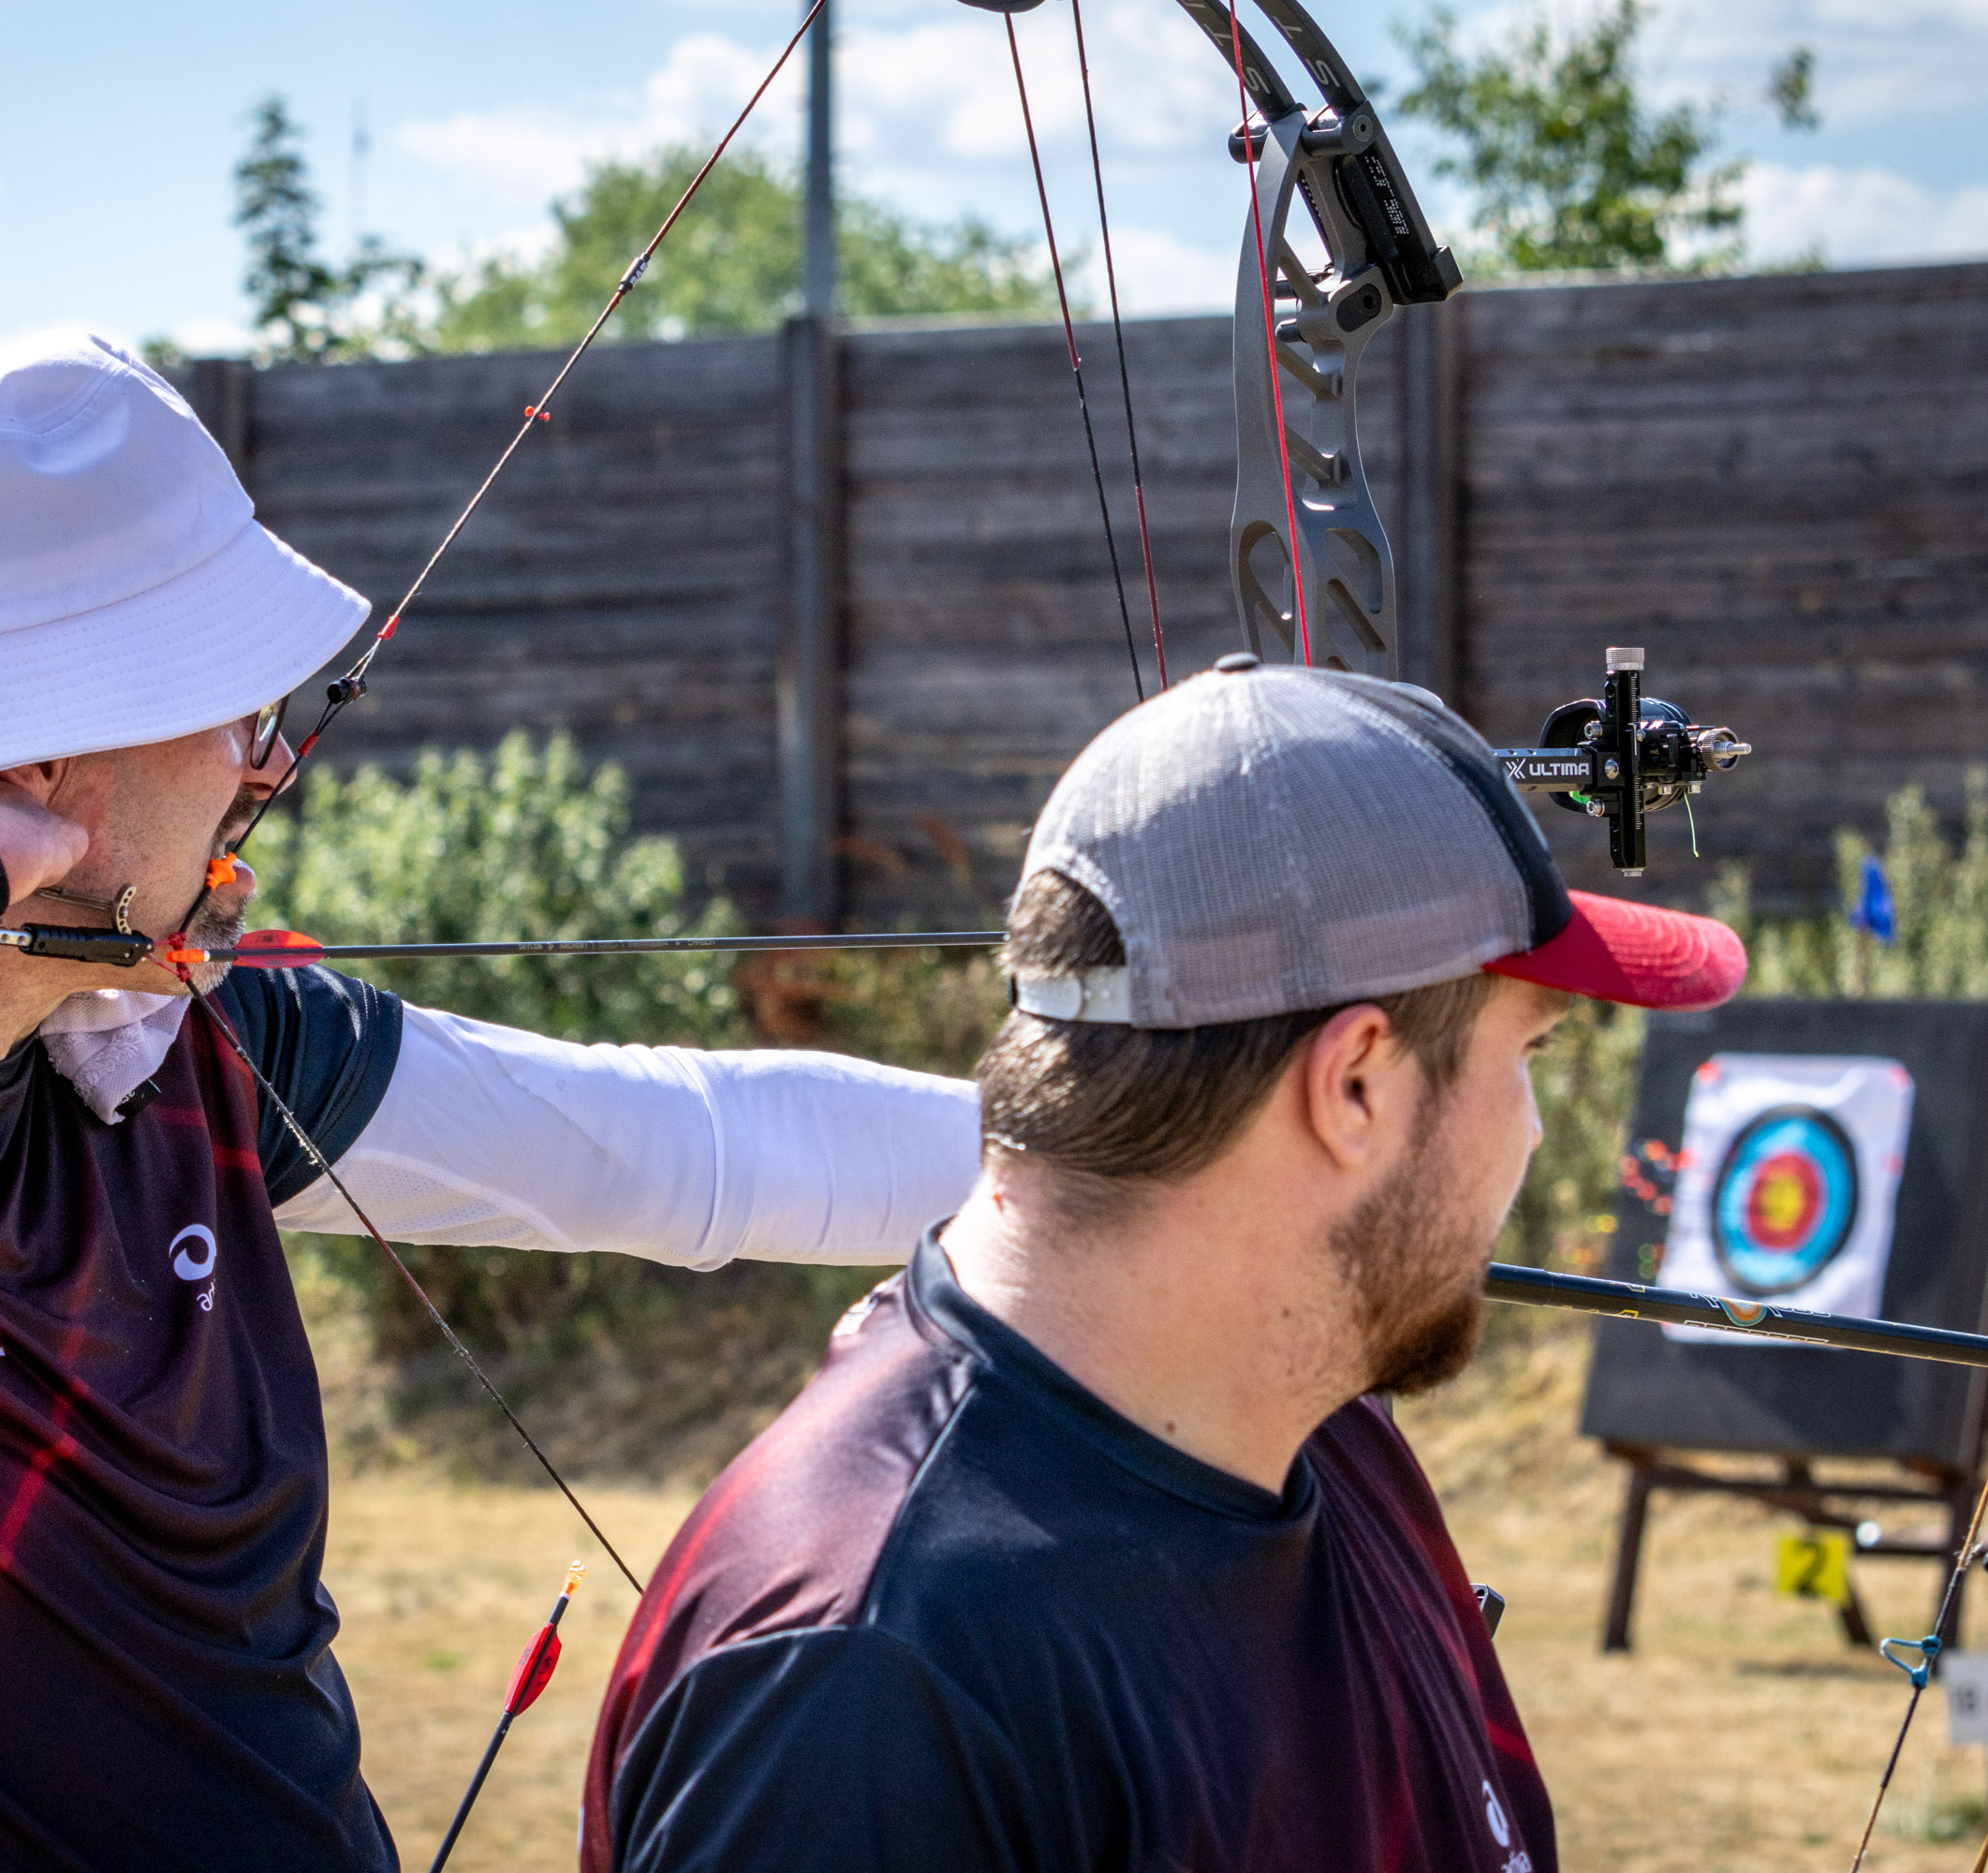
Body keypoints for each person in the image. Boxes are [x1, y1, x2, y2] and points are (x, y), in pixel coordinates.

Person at [0, 330, 979, 1872]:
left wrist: (1100, 1138)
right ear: (39, 779)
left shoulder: (179, 1055)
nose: (269, 764)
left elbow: (688, 1145)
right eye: (238, 714)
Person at [582, 657, 1748, 1873]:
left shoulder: (1317, 1432)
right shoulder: (867, 1690)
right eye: (1529, 1057)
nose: (1536, 1132)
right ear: (1354, 1086)